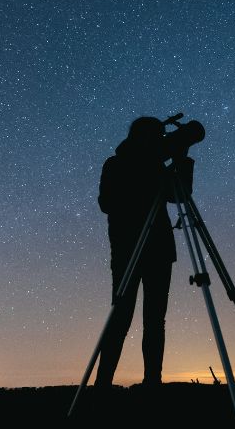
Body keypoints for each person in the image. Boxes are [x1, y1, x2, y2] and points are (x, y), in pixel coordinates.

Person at [94, 116, 194, 387]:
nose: (161, 141)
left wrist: (182, 159)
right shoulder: (116, 164)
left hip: (159, 250)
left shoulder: (158, 166)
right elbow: (107, 203)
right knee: (121, 316)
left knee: (155, 320)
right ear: (141, 136)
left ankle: (153, 382)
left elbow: (180, 196)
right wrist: (142, 178)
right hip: (128, 249)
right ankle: (102, 383)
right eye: (157, 136)